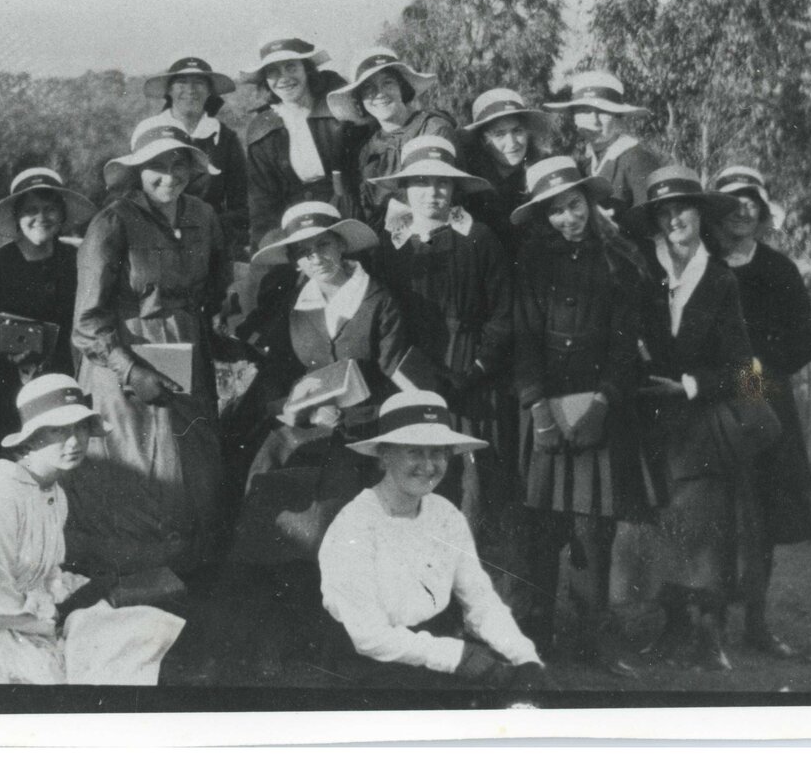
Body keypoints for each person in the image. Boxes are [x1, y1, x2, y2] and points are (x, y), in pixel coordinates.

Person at [222, 201, 407, 673]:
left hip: (362, 437)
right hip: (304, 434)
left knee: (333, 524)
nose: (315, 258)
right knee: (266, 497)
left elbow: (395, 379)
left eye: (323, 245)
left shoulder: (376, 300)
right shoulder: (295, 306)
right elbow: (279, 380)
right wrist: (299, 408)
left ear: (342, 245)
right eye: (303, 253)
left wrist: (349, 414)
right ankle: (280, 636)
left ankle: (339, 648)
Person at [0, 375, 185, 685]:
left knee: (145, 629)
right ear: (33, 438)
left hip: (34, 608)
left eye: (80, 428)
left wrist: (70, 602)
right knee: (59, 679)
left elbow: (49, 569)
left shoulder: (53, 492)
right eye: (57, 431)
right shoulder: (1, 496)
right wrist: (53, 620)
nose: (74, 442)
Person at [507, 156, 654, 677]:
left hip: (598, 411)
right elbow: (522, 339)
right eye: (555, 212)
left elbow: (622, 344)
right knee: (538, 531)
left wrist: (605, 402)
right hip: (543, 409)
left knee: (594, 531)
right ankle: (532, 642)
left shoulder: (616, 260)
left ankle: (593, 642)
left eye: (574, 207)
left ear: (590, 206)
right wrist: (536, 406)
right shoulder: (528, 263)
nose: (568, 219)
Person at [66, 120, 232, 578]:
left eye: (179, 163)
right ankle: (124, 588)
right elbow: (87, 322)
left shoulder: (203, 217)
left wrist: (220, 335)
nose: (169, 176)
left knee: (191, 472)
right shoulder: (112, 223)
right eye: (156, 166)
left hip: (186, 359)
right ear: (137, 170)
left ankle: (187, 589)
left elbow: (217, 290)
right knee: (134, 476)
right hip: (125, 363)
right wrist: (129, 370)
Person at [318, 391, 548, 688]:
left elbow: (480, 600)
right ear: (384, 455)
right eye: (414, 451)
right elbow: (368, 637)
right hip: (366, 665)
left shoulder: (446, 515)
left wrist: (524, 657)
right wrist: (460, 658)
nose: (428, 466)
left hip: (435, 648)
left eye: (438, 452)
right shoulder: (356, 524)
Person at [624, 164, 758, 671]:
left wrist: (690, 385)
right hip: (650, 422)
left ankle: (710, 635)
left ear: (700, 215)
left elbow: (742, 368)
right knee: (664, 529)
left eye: (683, 208)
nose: (675, 218)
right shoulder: (644, 270)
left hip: (700, 424)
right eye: (664, 211)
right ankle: (672, 626)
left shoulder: (721, 279)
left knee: (707, 531)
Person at [711, 164, 811, 658]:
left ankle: (756, 624)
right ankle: (703, 625)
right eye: (731, 201)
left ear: (761, 211)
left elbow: (803, 342)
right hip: (709, 402)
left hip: (764, 404)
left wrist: (756, 369)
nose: (741, 210)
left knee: (761, 517)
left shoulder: (779, 270)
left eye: (750, 202)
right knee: (710, 514)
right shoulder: (701, 263)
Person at [368, 135, 511, 523]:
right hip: (409, 374)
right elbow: (381, 318)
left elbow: (503, 315)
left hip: (470, 376)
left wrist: (476, 370)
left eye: (442, 183)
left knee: (472, 484)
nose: (432, 192)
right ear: (405, 190)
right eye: (421, 183)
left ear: (454, 188)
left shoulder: (479, 239)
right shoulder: (390, 245)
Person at [0, 167, 96, 455]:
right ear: (16, 217)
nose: (41, 218)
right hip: (3, 386)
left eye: (49, 209)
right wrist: (6, 353)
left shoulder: (76, 263)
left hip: (59, 379)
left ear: (61, 215)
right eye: (31, 210)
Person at [240, 34, 370, 250]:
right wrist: (266, 248)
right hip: (293, 225)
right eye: (273, 72)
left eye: (291, 67)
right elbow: (262, 203)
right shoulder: (262, 129)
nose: (284, 78)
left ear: (306, 69)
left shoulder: (338, 109)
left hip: (349, 213)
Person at [327, 48, 456, 233]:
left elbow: (439, 196)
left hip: (433, 232)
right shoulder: (367, 147)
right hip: (384, 242)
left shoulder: (433, 129)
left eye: (388, 83)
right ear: (360, 100)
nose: (380, 94)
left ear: (402, 88)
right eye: (369, 88)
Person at [135, 55, 249, 255]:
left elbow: (240, 204)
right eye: (181, 82)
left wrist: (209, 230)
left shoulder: (224, 137)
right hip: (152, 236)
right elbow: (128, 190)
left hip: (209, 237)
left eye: (199, 83)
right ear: (169, 90)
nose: (190, 90)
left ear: (209, 92)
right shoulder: (148, 131)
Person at [543, 69, 664, 212]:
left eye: (603, 112)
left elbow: (653, 216)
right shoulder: (583, 164)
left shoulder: (636, 159)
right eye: (586, 111)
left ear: (618, 117)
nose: (594, 121)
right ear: (575, 117)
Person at [459, 87, 557, 253]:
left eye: (517, 131)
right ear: (484, 140)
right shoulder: (469, 183)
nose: (512, 143)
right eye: (499, 134)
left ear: (527, 132)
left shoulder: (544, 173)